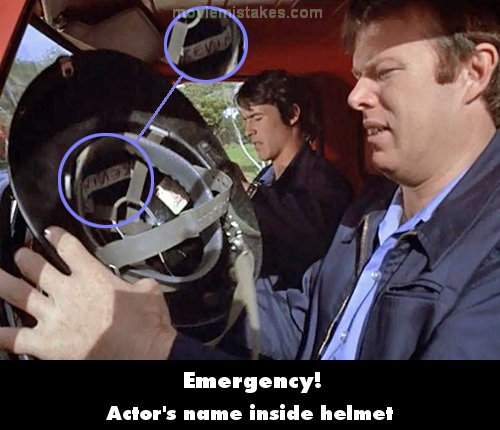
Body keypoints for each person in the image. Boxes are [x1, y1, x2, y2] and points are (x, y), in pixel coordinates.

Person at [0, 0, 499, 360]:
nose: (355, 97)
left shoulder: (490, 259)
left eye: (384, 72)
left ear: (473, 72)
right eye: (357, 75)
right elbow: (302, 322)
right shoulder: (373, 212)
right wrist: (154, 295)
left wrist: (151, 348)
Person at [236, 70, 352, 290]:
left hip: (290, 300)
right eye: (245, 120)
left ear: (291, 114)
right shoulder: (266, 177)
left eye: (257, 118)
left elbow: (303, 236)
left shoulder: (325, 181)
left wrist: (244, 191)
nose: (248, 131)